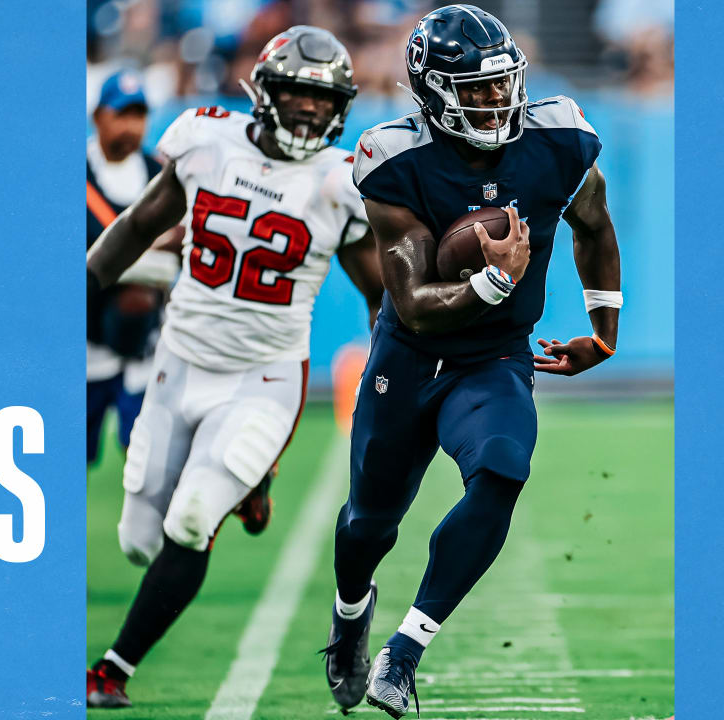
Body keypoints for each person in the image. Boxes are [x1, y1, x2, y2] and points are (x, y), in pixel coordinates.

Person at [321, 5, 622, 718]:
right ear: (432, 92)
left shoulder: (560, 139)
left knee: (502, 471)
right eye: (475, 89)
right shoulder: (394, 157)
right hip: (411, 355)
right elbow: (415, 300)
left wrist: (604, 330)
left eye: (501, 84)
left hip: (493, 359)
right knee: (370, 522)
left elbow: (594, 225)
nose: (495, 101)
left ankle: (405, 649)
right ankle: (350, 617)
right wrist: (494, 280)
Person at [85, 26, 384, 708]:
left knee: (190, 522)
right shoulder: (206, 141)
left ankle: (114, 668)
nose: (310, 110)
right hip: (180, 360)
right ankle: (252, 484)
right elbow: (136, 226)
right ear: (264, 92)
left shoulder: (341, 182)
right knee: (137, 541)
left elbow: (380, 297)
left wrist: (391, 379)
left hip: (264, 377)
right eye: (297, 93)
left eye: (322, 98)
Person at [87, 70, 181, 469]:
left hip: (146, 346)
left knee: (150, 463)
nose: (131, 126)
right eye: (122, 114)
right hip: (85, 344)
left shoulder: (160, 175)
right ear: (98, 117)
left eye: (139, 115)